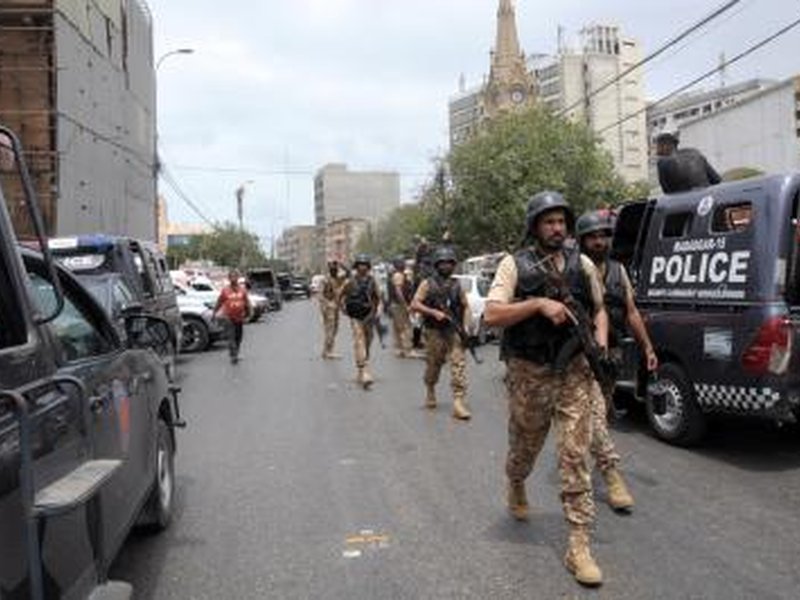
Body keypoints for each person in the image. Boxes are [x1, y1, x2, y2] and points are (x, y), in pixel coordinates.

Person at [484, 191, 609, 587]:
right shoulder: (513, 264)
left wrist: (600, 341)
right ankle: (516, 480)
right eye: (549, 221)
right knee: (525, 445)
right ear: (535, 226)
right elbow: (491, 315)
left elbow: (599, 307)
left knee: (575, 455)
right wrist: (537, 304)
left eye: (561, 221)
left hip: (574, 371)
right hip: (531, 373)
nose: (557, 228)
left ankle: (579, 545)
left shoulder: (583, 263)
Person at [575, 210, 659, 512]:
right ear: (581, 240)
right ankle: (611, 474)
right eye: (592, 237)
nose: (599, 242)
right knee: (594, 413)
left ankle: (586, 453)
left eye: (603, 236)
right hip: (577, 355)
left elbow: (631, 312)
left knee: (601, 411)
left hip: (610, 355)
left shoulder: (618, 271)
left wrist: (647, 347)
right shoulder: (573, 270)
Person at [410, 246, 472, 421]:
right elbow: (414, 304)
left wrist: (466, 327)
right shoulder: (427, 284)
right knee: (434, 365)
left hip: (453, 330)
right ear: (437, 265)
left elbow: (465, 306)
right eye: (443, 263)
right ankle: (430, 388)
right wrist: (433, 312)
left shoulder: (456, 285)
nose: (446, 266)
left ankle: (458, 402)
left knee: (458, 364)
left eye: (449, 263)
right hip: (434, 331)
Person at [340, 254, 381, 389]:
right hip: (355, 317)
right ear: (356, 266)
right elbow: (340, 295)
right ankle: (364, 371)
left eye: (364, 264)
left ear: (368, 267)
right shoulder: (349, 282)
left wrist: (378, 311)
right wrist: (343, 309)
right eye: (359, 265)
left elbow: (378, 298)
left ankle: (361, 368)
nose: (362, 267)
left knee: (368, 342)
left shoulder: (372, 281)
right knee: (359, 342)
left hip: (369, 316)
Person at [655, 132, 721, 194]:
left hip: (688, 202)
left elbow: (667, 193)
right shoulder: (695, 153)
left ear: (665, 146)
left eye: (658, 147)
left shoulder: (662, 162)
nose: (656, 152)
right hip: (708, 196)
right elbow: (717, 180)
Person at [214, 269, 250, 364]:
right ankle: (233, 356)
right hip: (228, 317)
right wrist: (214, 312)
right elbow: (219, 302)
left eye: (235, 276)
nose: (233, 278)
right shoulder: (225, 290)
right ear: (229, 278)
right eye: (231, 277)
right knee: (231, 337)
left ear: (238, 278)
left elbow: (247, 302)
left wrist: (249, 313)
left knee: (239, 337)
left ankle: (236, 353)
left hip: (239, 317)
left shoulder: (243, 289)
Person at [388, 256, 415, 358]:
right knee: (405, 327)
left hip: (395, 304)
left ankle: (399, 349)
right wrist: (405, 305)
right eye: (402, 263)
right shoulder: (398, 275)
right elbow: (399, 292)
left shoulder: (396, 274)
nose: (404, 265)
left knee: (398, 328)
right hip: (399, 305)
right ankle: (407, 350)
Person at [319, 260, 347, 359]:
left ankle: (327, 350)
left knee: (335, 329)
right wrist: (326, 306)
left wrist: (341, 264)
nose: (334, 269)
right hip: (329, 307)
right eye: (332, 267)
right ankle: (328, 352)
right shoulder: (325, 279)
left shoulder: (338, 279)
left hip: (336, 307)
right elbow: (321, 295)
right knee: (330, 329)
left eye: (335, 267)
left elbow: (348, 273)